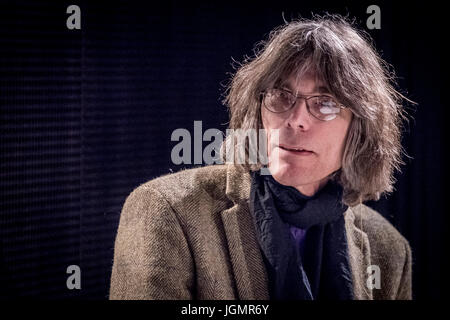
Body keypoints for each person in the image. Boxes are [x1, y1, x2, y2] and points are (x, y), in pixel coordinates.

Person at [109, 15, 412, 300]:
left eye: (325, 102)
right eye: (281, 95)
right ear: (257, 111)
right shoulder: (168, 212)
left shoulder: (389, 249)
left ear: (359, 130)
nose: (296, 119)